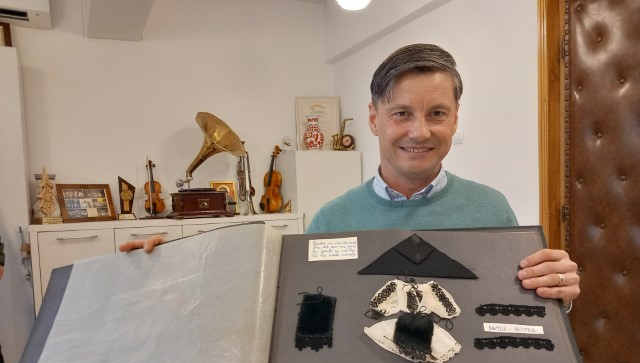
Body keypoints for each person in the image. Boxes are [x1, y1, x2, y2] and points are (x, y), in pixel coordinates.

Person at [120, 44, 579, 308]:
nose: (420, 131)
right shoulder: (331, 220)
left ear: (455, 118)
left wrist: (557, 291)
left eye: (437, 113)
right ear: (374, 119)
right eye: (402, 113)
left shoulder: (492, 209)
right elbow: (281, 303)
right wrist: (173, 267)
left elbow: (518, 308)